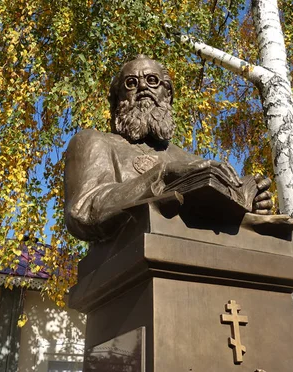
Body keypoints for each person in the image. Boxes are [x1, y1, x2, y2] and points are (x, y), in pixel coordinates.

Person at [64, 55, 272, 242]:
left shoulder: (187, 159)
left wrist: (248, 207)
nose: (143, 87)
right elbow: (83, 210)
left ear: (167, 94)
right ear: (117, 98)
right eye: (131, 83)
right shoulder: (93, 141)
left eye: (152, 81)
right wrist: (162, 176)